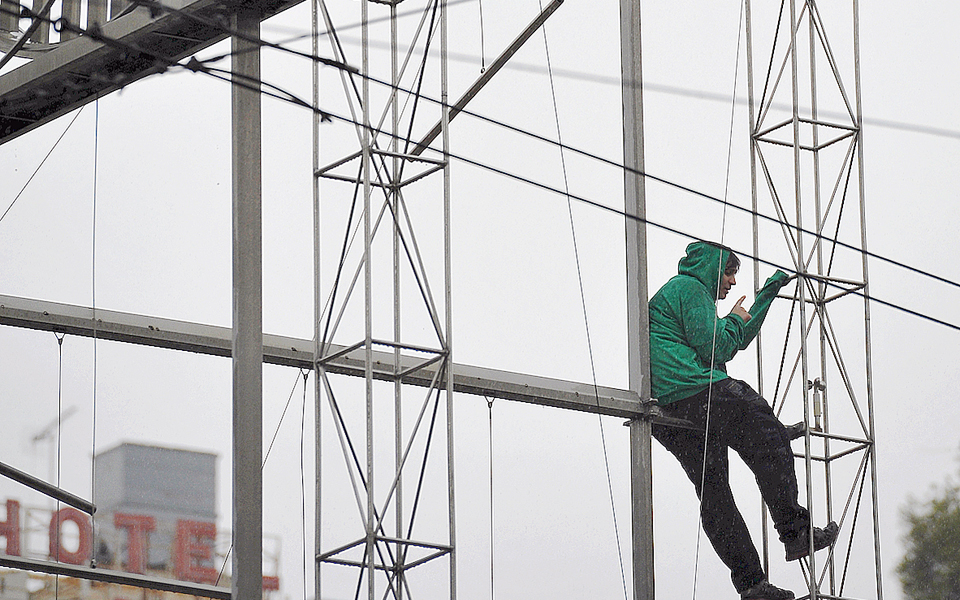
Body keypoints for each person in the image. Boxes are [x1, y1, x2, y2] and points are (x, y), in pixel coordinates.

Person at [649, 241, 838, 600]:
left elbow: (735, 338)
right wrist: (735, 319)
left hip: (669, 409)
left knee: (715, 495)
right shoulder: (690, 288)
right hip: (693, 391)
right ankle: (795, 531)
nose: (732, 281)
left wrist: (766, 295)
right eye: (729, 272)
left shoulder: (679, 298)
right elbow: (719, 347)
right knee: (766, 432)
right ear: (712, 268)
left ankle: (752, 585)